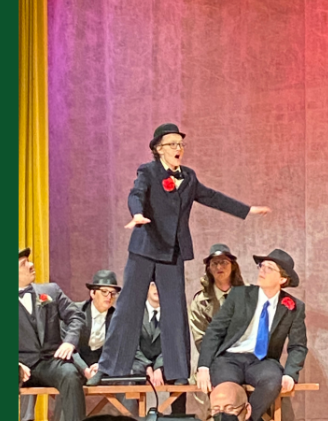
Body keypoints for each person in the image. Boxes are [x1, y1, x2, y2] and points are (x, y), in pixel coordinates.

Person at [89, 123, 270, 385]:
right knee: (128, 307)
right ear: (158, 149)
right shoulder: (148, 171)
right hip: (145, 247)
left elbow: (212, 197)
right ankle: (108, 368)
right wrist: (137, 214)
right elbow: (136, 194)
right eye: (173, 144)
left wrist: (247, 210)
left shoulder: (189, 177)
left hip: (172, 251)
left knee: (174, 312)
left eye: (180, 144)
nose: (178, 149)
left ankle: (177, 372)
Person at [195, 249, 307, 421]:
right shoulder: (240, 295)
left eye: (269, 268)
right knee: (227, 390)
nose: (262, 270)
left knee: (272, 380)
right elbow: (214, 330)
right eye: (261, 266)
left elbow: (298, 346)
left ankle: (249, 419)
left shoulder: (293, 307)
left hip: (262, 361)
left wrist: (290, 373)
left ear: (283, 279)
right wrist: (203, 366)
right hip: (230, 358)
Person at [19, 247, 87, 421]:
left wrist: (70, 341)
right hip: (20, 366)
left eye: (29, 260)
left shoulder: (50, 291)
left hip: (50, 362)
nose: (31, 265)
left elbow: (76, 316)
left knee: (70, 375)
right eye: (24, 263)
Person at [189, 244, 246, 417]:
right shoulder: (201, 302)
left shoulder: (248, 296)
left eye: (223, 262)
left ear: (233, 266)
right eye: (214, 263)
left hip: (244, 357)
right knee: (201, 382)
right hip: (213, 358)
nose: (219, 267)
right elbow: (200, 338)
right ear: (208, 268)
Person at [131, 282, 187, 414]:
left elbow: (174, 343)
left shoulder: (174, 313)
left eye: (160, 284)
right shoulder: (135, 311)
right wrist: (147, 366)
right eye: (152, 285)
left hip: (166, 361)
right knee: (134, 375)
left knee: (180, 377)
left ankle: (178, 417)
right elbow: (132, 344)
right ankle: (135, 416)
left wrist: (159, 367)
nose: (156, 288)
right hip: (139, 362)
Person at [69, 270, 121, 378]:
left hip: (102, 367)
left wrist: (102, 365)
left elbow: (117, 350)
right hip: (76, 365)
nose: (109, 297)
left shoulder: (118, 319)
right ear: (92, 293)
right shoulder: (75, 312)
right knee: (67, 375)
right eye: (104, 291)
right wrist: (84, 369)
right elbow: (69, 347)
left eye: (113, 293)